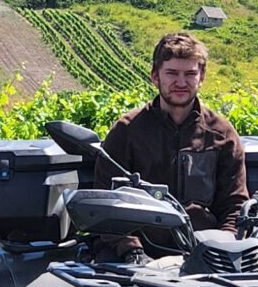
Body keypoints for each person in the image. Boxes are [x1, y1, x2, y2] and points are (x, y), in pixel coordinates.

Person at [99, 31, 249, 237]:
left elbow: (234, 206)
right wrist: (132, 253)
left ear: (201, 77)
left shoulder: (222, 134)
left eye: (190, 74)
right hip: (136, 258)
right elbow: (108, 205)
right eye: (171, 73)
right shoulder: (126, 131)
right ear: (155, 76)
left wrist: (224, 247)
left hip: (205, 254)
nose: (181, 82)